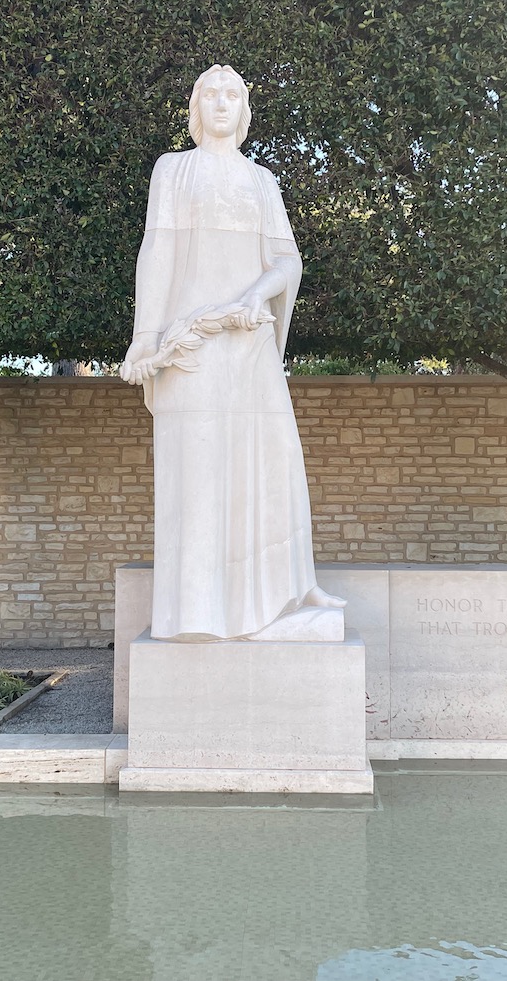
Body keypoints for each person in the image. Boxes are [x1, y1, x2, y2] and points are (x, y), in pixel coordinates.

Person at [121, 64, 344, 642]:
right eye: (209, 93)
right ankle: (194, 615)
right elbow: (158, 252)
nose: (221, 102)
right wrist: (146, 339)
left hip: (249, 348)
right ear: (195, 109)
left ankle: (286, 596)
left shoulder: (262, 182)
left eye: (232, 94)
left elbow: (287, 262)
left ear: (245, 112)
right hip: (190, 349)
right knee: (195, 478)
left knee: (276, 468)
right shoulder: (173, 171)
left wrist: (254, 294)